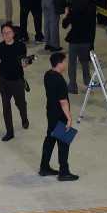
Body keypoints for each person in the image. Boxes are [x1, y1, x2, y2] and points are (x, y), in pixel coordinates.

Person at [40, 51, 78, 181]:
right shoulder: (60, 80)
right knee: (63, 143)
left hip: (50, 113)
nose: (66, 64)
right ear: (60, 63)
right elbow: (63, 102)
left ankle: (44, 167)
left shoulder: (47, 75)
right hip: (59, 116)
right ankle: (64, 172)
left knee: (50, 139)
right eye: (65, 61)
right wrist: (69, 118)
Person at [0, 23, 30, 141]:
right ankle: (9, 131)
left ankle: (24, 117)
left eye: (8, 32)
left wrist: (25, 64)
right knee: (6, 106)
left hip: (17, 80)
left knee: (20, 103)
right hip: (4, 80)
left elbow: (24, 61)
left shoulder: (20, 46)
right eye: (4, 33)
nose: (6, 35)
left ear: (13, 33)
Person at [62, 0, 96, 94]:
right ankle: (88, 82)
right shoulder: (90, 12)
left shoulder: (72, 13)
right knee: (84, 61)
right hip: (85, 41)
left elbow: (64, 25)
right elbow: (92, 28)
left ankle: (73, 86)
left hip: (74, 41)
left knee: (72, 63)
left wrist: (65, 15)